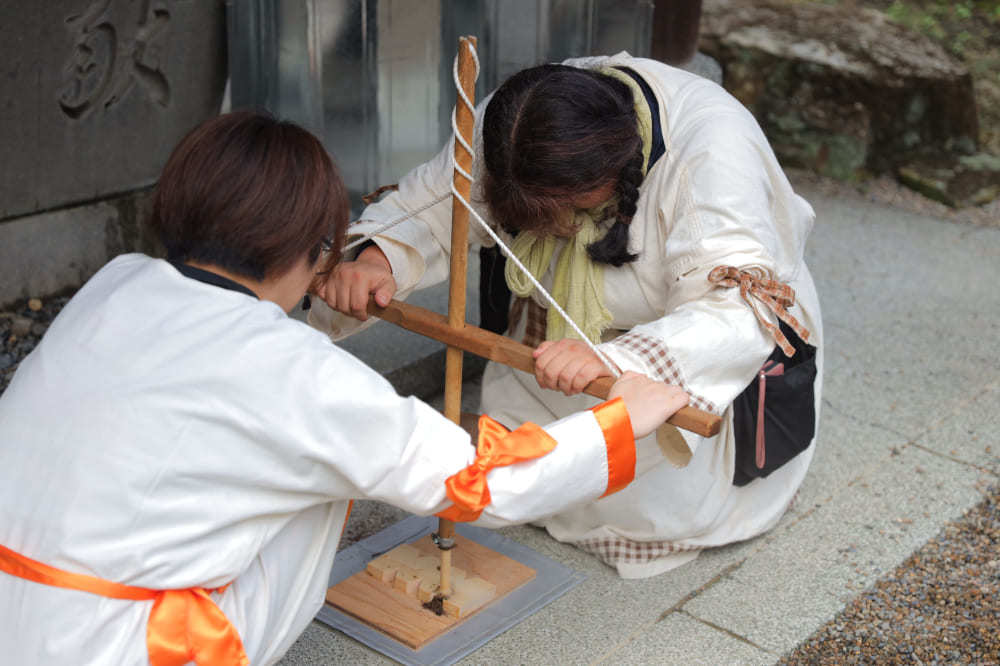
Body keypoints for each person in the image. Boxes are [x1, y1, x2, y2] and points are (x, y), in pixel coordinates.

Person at [0, 111, 689, 665]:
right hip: (122, 646)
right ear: (311, 251)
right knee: (332, 465)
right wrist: (619, 421)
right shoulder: (293, 370)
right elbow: (479, 480)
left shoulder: (116, 282)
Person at [310, 52, 824, 579]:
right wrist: (377, 259)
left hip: (681, 344)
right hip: (551, 339)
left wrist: (615, 361)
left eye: (568, 210)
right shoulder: (512, 128)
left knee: (657, 511)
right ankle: (547, 459)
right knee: (521, 459)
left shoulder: (714, 152)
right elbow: (439, 201)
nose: (553, 227)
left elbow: (734, 308)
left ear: (613, 169)